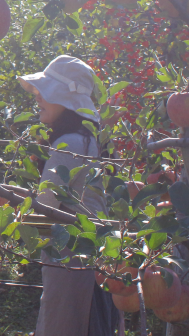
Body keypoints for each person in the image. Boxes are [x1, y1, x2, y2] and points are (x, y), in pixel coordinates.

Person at [18, 55, 115, 336]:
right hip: (90, 254)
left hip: (71, 258)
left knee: (65, 325)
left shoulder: (70, 143)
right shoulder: (88, 140)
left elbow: (44, 207)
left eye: (44, 91)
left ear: (65, 98)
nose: (37, 97)